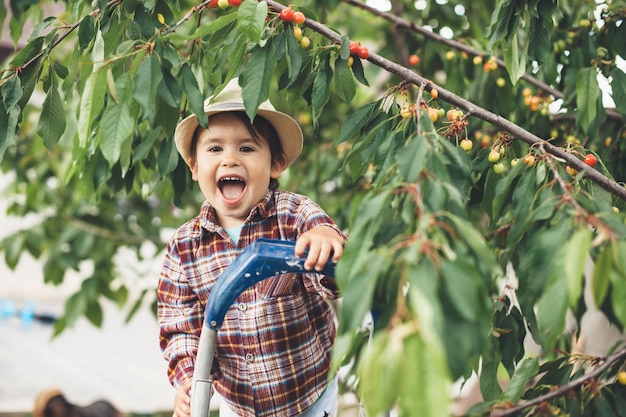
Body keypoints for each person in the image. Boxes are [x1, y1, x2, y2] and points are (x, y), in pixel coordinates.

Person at [157, 77, 347, 417]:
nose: (230, 159)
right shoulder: (185, 247)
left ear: (275, 165)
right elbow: (179, 325)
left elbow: (328, 255)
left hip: (308, 390)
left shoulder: (292, 214)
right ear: (195, 166)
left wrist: (326, 241)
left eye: (246, 148)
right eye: (215, 148)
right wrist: (188, 378)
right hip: (241, 403)